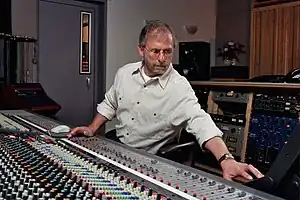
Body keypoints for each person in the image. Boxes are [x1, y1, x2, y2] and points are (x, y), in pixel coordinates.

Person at [68, 20, 264, 181]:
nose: (162, 58)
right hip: (119, 144)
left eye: (168, 51)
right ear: (141, 50)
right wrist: (92, 128)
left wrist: (226, 159)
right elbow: (110, 104)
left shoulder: (179, 86)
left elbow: (200, 121)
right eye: (155, 51)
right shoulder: (124, 73)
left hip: (149, 158)